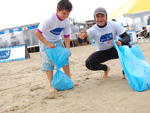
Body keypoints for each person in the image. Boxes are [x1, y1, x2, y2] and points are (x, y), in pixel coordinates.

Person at [35, 0, 78, 93]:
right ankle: (51, 85)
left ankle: (69, 80)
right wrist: (47, 43)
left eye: (68, 14)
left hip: (58, 40)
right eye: (64, 13)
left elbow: (66, 36)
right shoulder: (49, 19)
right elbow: (37, 33)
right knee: (48, 63)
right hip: (45, 41)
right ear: (57, 10)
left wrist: (67, 49)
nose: (66, 16)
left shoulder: (66, 21)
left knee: (65, 60)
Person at [78, 7, 131, 79]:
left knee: (129, 47)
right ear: (95, 18)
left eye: (102, 16)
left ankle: (125, 72)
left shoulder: (114, 25)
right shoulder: (93, 30)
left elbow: (127, 37)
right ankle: (106, 69)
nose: (100, 19)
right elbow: (81, 41)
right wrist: (81, 38)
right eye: (98, 16)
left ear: (106, 16)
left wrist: (121, 42)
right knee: (89, 64)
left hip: (115, 49)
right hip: (102, 52)